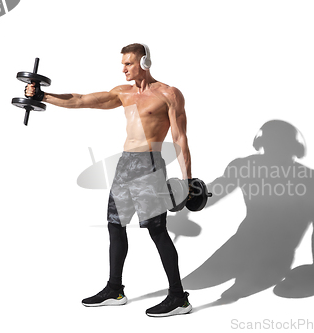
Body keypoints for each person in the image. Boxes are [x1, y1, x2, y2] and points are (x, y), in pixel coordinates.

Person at [25, 43, 192, 317]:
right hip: (125, 164)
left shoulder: (168, 94)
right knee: (115, 225)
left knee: (156, 231)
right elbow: (80, 100)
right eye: (122, 63)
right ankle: (115, 289)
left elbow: (180, 138)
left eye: (128, 63)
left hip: (149, 166)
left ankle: (178, 298)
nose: (123, 68)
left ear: (145, 62)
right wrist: (43, 95)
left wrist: (188, 179)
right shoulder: (123, 93)